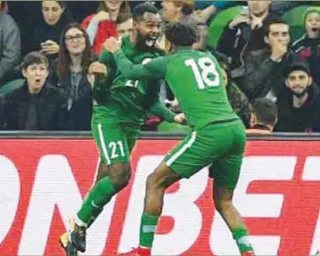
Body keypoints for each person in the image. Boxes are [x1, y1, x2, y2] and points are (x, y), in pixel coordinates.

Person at [101, 22, 255, 256]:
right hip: (235, 129)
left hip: (209, 132)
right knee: (224, 201)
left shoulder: (168, 62)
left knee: (154, 182)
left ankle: (143, 251)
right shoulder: (209, 58)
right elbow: (199, 86)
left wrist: (116, 51)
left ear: (169, 43)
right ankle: (248, 252)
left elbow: (131, 71)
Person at [59, 3, 184, 255]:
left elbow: (150, 101)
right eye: (149, 25)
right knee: (120, 174)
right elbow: (101, 96)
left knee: (106, 183)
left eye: (158, 26)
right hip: (109, 119)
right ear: (135, 25)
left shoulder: (159, 57)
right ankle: (76, 226)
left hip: (132, 124)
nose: (154, 30)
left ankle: (71, 240)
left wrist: (174, 117)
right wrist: (98, 80)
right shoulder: (113, 49)